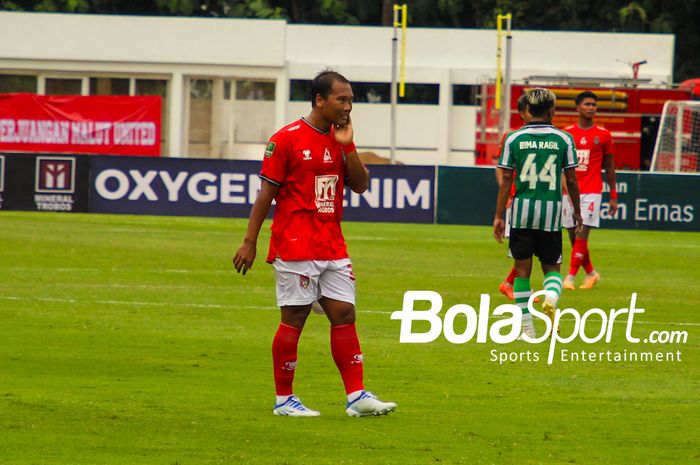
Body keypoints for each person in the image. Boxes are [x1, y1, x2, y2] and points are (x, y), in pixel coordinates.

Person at [233, 70, 397, 418]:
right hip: (295, 244)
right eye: (342, 99)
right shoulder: (286, 139)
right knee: (295, 316)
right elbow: (266, 195)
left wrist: (348, 145)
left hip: (331, 244)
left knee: (344, 314)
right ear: (320, 100)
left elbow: (361, 185)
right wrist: (250, 241)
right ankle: (284, 400)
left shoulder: (340, 139)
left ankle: (356, 397)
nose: (348, 106)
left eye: (350, 100)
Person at [493, 88, 583, 338]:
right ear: (552, 110)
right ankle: (551, 298)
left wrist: (499, 216)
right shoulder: (563, 139)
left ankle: (527, 327)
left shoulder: (513, 139)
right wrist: (576, 210)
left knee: (522, 271)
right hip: (551, 213)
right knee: (552, 269)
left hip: (521, 211)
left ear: (527, 111)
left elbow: (506, 179)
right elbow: (572, 180)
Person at [561, 91, 618, 290]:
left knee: (582, 234)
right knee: (571, 234)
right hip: (569, 193)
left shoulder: (603, 135)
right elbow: (559, 165)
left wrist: (613, 196)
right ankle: (591, 273)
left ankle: (569, 277)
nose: (591, 107)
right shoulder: (567, 134)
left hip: (592, 191)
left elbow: (610, 167)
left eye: (594, 104)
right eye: (587, 104)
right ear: (577, 108)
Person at [497, 93, 533, 301]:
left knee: (529, 247)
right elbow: (501, 170)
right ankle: (511, 285)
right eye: (530, 109)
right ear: (521, 113)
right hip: (519, 200)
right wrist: (508, 194)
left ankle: (510, 283)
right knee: (524, 248)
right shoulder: (512, 137)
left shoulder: (548, 137)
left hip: (537, 199)